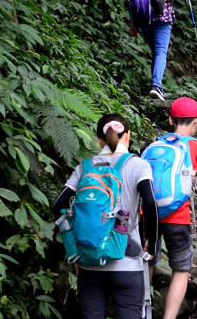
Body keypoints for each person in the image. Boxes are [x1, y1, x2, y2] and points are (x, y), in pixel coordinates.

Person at [52, 114, 158, 319]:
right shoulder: (138, 165)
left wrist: (74, 251)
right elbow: (150, 203)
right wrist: (151, 243)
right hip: (127, 262)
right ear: (127, 136)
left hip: (89, 263)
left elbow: (58, 207)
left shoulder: (84, 168)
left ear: (99, 140)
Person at [146, 97, 197, 319]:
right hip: (177, 218)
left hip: (147, 215)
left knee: (147, 262)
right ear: (196, 122)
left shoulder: (155, 145)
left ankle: (141, 311)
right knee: (180, 270)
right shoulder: (196, 146)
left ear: (170, 120)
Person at [133, 0, 192, 100]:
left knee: (156, 51)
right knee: (160, 52)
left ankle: (155, 85)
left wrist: (133, 23)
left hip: (143, 16)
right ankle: (156, 86)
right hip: (162, 15)